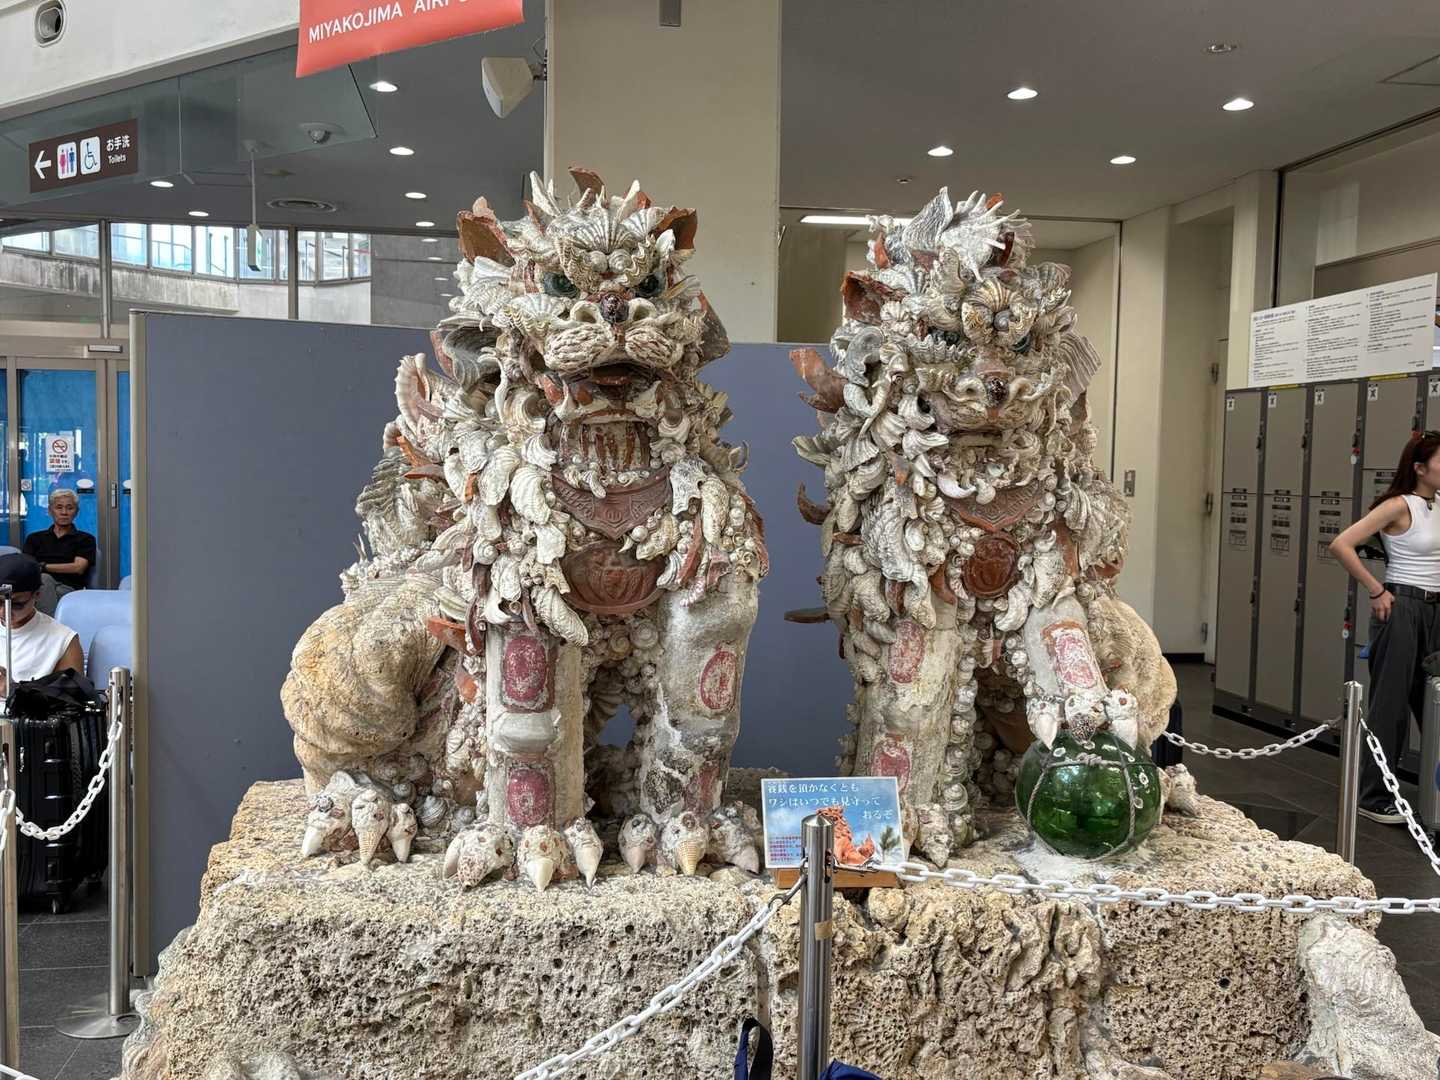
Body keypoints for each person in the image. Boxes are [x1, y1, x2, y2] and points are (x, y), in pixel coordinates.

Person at [1329, 430, 1440, 825]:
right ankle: (1374, 796)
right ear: (1420, 468)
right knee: (1390, 706)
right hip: (1402, 607)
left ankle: (1434, 794)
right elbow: (1341, 544)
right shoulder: (1398, 505)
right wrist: (1376, 590)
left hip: (1434, 610)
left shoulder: (1437, 504)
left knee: (1433, 703)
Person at [0, 554, 83, 695]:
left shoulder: (63, 640)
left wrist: (15, 691)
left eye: (16, 604)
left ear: (37, 595)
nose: (3, 611)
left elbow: (72, 699)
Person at [22, 488, 96, 616]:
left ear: (76, 512)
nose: (64, 512)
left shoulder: (85, 539)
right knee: (39, 585)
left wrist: (43, 567)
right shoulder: (34, 538)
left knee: (43, 580)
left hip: (69, 589)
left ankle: (47, 625)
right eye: (59, 507)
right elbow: (27, 566)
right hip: (38, 587)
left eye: (69, 508)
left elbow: (78, 568)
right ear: (50, 510)